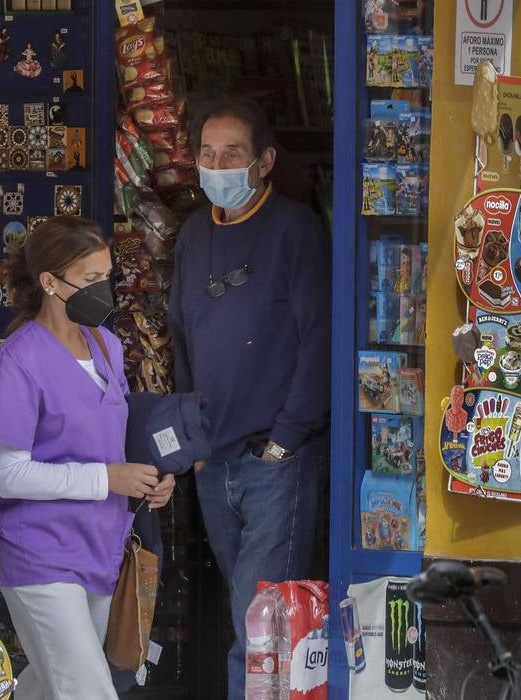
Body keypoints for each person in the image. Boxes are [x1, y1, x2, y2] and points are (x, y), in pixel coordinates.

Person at [168, 96, 330, 698]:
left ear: (263, 161)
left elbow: (319, 341)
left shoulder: (295, 230)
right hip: (216, 462)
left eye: (231, 153)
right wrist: (194, 441)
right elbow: (180, 338)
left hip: (275, 460)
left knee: (262, 626)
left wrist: (287, 440)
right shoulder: (191, 235)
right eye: (207, 154)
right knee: (251, 615)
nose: (218, 165)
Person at [0, 216, 174, 700]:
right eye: (89, 280)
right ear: (49, 282)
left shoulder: (106, 347)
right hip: (39, 549)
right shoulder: (15, 364)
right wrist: (108, 479)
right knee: (88, 688)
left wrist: (150, 480)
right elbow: (8, 474)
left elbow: (116, 440)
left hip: (101, 542)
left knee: (52, 683)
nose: (102, 290)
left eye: (106, 278)